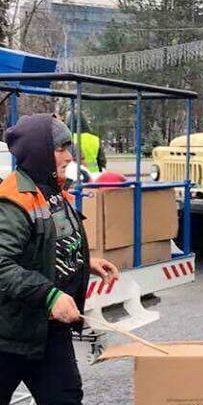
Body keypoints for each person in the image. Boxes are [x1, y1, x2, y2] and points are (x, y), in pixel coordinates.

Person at [0, 113, 119, 404]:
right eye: (60, 148)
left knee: (66, 398)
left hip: (50, 332)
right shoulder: (14, 200)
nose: (69, 156)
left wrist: (83, 261)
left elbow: (47, 242)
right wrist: (51, 295)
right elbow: (2, 265)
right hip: (9, 335)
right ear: (39, 151)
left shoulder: (53, 189)